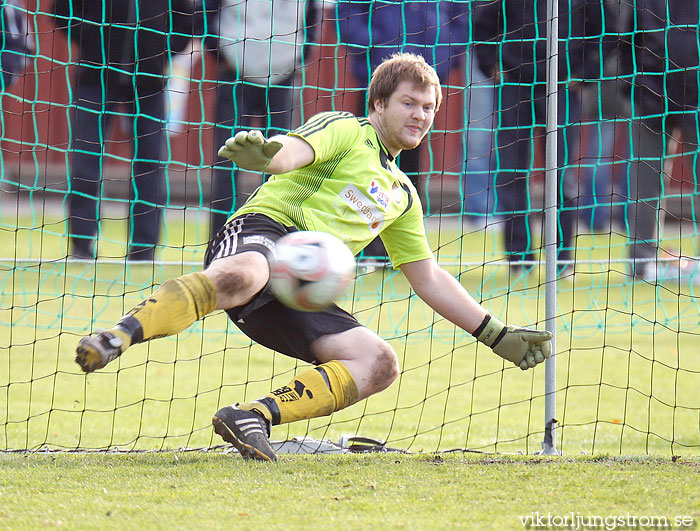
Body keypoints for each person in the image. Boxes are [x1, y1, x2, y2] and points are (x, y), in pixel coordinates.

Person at [74, 53, 553, 462]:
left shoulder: (403, 195)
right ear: (379, 103)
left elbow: (427, 276)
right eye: (409, 102)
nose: (420, 114)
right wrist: (267, 157)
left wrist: (494, 333)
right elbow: (294, 150)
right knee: (244, 273)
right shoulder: (348, 130)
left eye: (429, 107)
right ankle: (118, 335)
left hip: (301, 289)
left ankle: (250, 418)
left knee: (380, 362)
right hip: (265, 232)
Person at [52, 0, 201, 260]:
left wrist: (162, 51)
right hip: (94, 75)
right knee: (85, 161)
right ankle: (81, 247)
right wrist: (92, 41)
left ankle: (144, 251)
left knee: (150, 165)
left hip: (150, 81)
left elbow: (188, 20)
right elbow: (62, 11)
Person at [473, 0, 605, 277]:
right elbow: (483, 24)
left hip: (563, 86)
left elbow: (605, 31)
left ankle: (562, 259)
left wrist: (584, 73)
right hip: (514, 83)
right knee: (510, 173)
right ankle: (519, 259)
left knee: (561, 176)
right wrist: (491, 65)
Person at [335, 0, 464, 262]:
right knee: (364, 162)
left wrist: (440, 58)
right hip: (377, 76)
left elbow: (460, 19)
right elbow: (348, 12)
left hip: (424, 79)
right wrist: (375, 46)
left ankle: (400, 251)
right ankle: (365, 250)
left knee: (408, 169)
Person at [204, 0, 319, 240]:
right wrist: (218, 50)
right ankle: (221, 239)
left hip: (282, 74)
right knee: (227, 160)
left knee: (280, 165)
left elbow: (312, 18)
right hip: (234, 73)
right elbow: (205, 12)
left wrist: (298, 56)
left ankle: (271, 236)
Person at [617, 0, 700, 282]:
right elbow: (626, 41)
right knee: (644, 187)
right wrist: (633, 84)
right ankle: (640, 264)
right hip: (650, 98)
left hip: (697, 100)